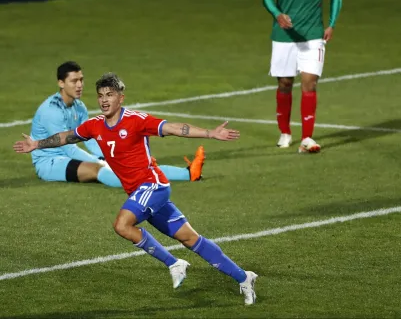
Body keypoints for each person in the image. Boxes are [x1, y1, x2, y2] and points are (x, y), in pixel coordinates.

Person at [14, 73, 258, 305]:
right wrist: (37, 144)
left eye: (109, 95)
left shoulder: (136, 121)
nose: (104, 100)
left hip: (153, 186)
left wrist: (210, 133)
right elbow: (68, 136)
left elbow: (174, 128)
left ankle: (174, 263)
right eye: (100, 95)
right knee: (190, 238)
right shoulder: (95, 125)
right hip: (140, 193)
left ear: (121, 97)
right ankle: (244, 277)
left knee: (122, 225)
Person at [30, 61, 204, 189]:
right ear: (61, 83)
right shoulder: (51, 111)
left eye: (81, 80)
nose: (79, 85)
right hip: (49, 162)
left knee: (135, 164)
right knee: (97, 169)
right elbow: (68, 146)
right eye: (74, 81)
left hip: (68, 156)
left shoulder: (79, 106)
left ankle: (189, 173)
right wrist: (103, 161)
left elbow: (91, 139)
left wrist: (110, 156)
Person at [263, 0, 342, 152]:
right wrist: (277, 14)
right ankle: (285, 132)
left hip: (313, 35)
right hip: (284, 36)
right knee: (284, 84)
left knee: (310, 83)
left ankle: (307, 138)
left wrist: (331, 24)